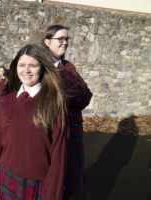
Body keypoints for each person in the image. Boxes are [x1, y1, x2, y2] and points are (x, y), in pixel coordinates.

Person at [0, 44, 69, 200]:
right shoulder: (8, 100)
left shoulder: (53, 103)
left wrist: (52, 195)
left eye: (33, 65)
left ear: (42, 68)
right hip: (4, 177)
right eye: (22, 65)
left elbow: (59, 156)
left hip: (37, 185)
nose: (26, 70)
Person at [42, 25, 93, 199]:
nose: (65, 43)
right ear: (47, 42)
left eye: (67, 39)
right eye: (61, 39)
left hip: (74, 126)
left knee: (73, 175)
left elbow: (86, 95)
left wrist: (70, 91)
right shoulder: (42, 66)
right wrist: (74, 90)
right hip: (51, 127)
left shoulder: (68, 65)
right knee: (52, 175)